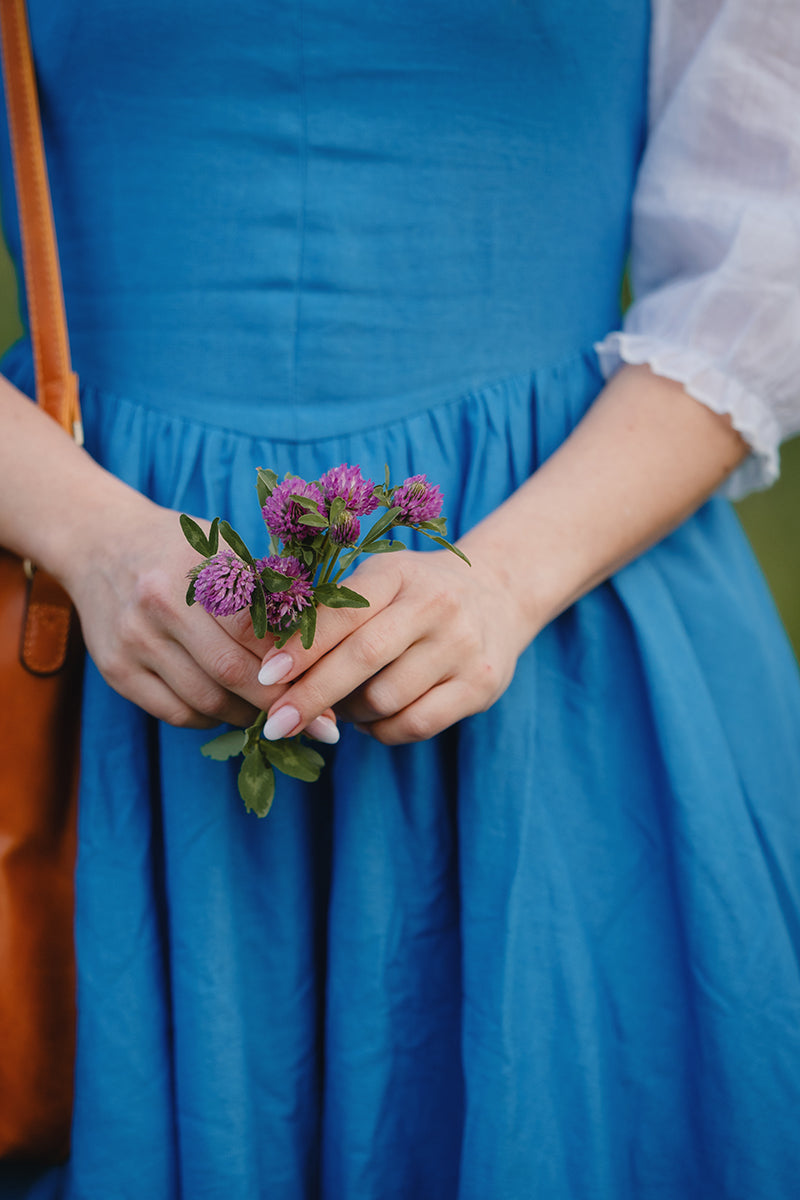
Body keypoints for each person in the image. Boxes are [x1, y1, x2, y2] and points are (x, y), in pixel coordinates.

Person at [1, 1, 799, 1196]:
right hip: (106, 624)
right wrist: (87, 533)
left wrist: (510, 580)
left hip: (568, 610)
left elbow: (763, 243)